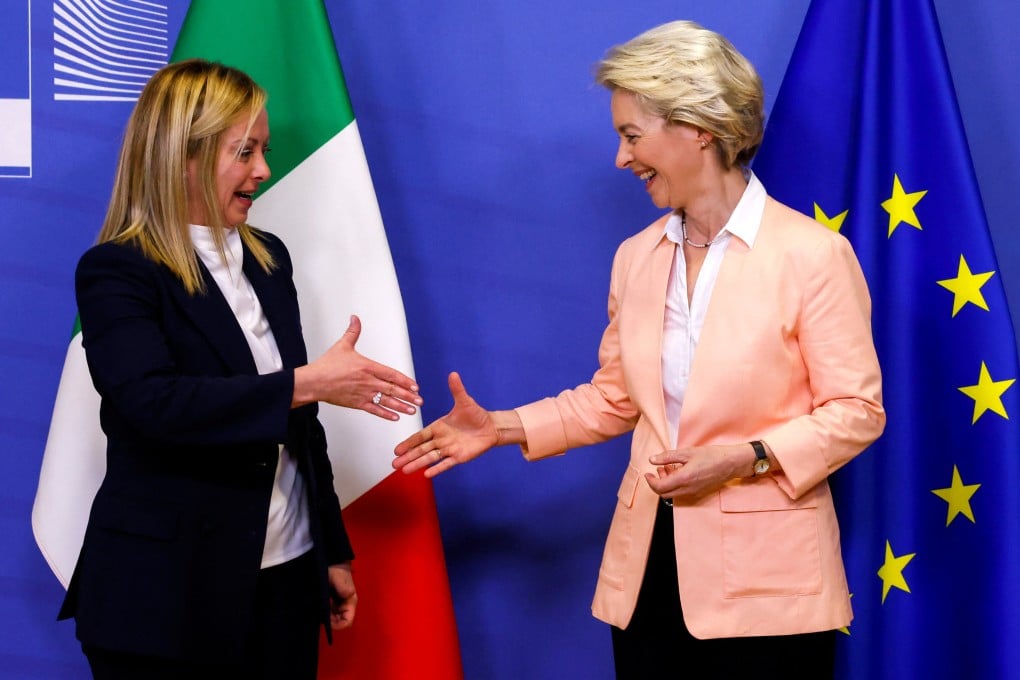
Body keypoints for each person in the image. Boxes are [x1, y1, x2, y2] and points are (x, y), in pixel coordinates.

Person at [393, 20, 885, 679]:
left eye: (632, 135)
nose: (622, 158)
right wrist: (502, 428)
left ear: (698, 128)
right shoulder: (637, 258)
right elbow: (613, 398)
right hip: (648, 574)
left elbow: (856, 410)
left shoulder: (813, 256)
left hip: (770, 592)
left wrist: (743, 458)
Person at [57, 59, 423, 680]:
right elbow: (153, 404)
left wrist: (328, 549)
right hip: (165, 600)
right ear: (183, 157)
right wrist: (310, 383)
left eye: (264, 151)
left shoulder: (268, 258)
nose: (263, 171)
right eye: (245, 152)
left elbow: (300, 427)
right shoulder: (118, 270)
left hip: (284, 583)